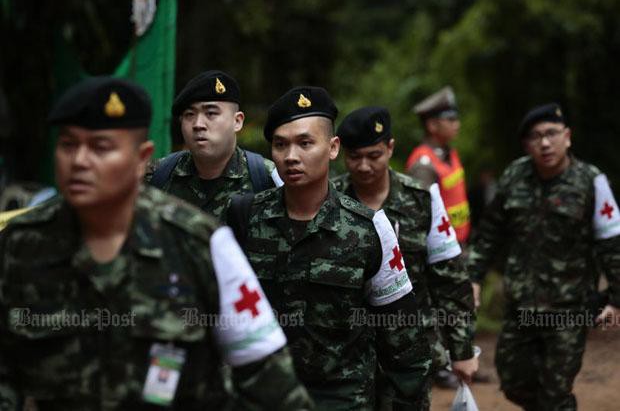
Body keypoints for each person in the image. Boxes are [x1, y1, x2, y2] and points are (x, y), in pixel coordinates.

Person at [0, 77, 311, 410]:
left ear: (141, 157)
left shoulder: (202, 244)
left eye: (101, 147)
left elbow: (270, 381)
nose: (80, 161)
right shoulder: (21, 245)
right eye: (68, 145)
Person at [227, 87, 431, 410]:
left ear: (333, 147)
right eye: (280, 144)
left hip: (342, 400)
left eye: (305, 143)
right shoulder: (244, 217)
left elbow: (403, 340)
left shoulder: (370, 228)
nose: (291, 156)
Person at [467, 103, 620, 410]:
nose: (545, 143)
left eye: (552, 134)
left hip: (569, 309)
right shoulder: (514, 176)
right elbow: (490, 233)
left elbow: (612, 244)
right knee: (513, 383)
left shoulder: (591, 181)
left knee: (555, 392)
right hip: (521, 306)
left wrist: (616, 299)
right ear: (527, 144)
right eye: (536, 137)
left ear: (568, 137)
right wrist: (474, 277)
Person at [331, 106, 478, 405]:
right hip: (345, 354)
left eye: (374, 155)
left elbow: (450, 279)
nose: (363, 166)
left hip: (411, 350)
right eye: (354, 157)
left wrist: (461, 350)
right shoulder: (329, 200)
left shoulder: (422, 199)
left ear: (390, 147)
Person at [146, 70, 282, 220]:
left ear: (237, 121)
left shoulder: (269, 178)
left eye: (211, 113)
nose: (198, 125)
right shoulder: (157, 176)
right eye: (189, 115)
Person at [405, 86, 471, 244]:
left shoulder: (450, 153)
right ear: (432, 125)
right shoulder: (423, 164)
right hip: (441, 249)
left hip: (459, 243)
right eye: (451, 119)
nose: (457, 124)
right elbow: (420, 219)